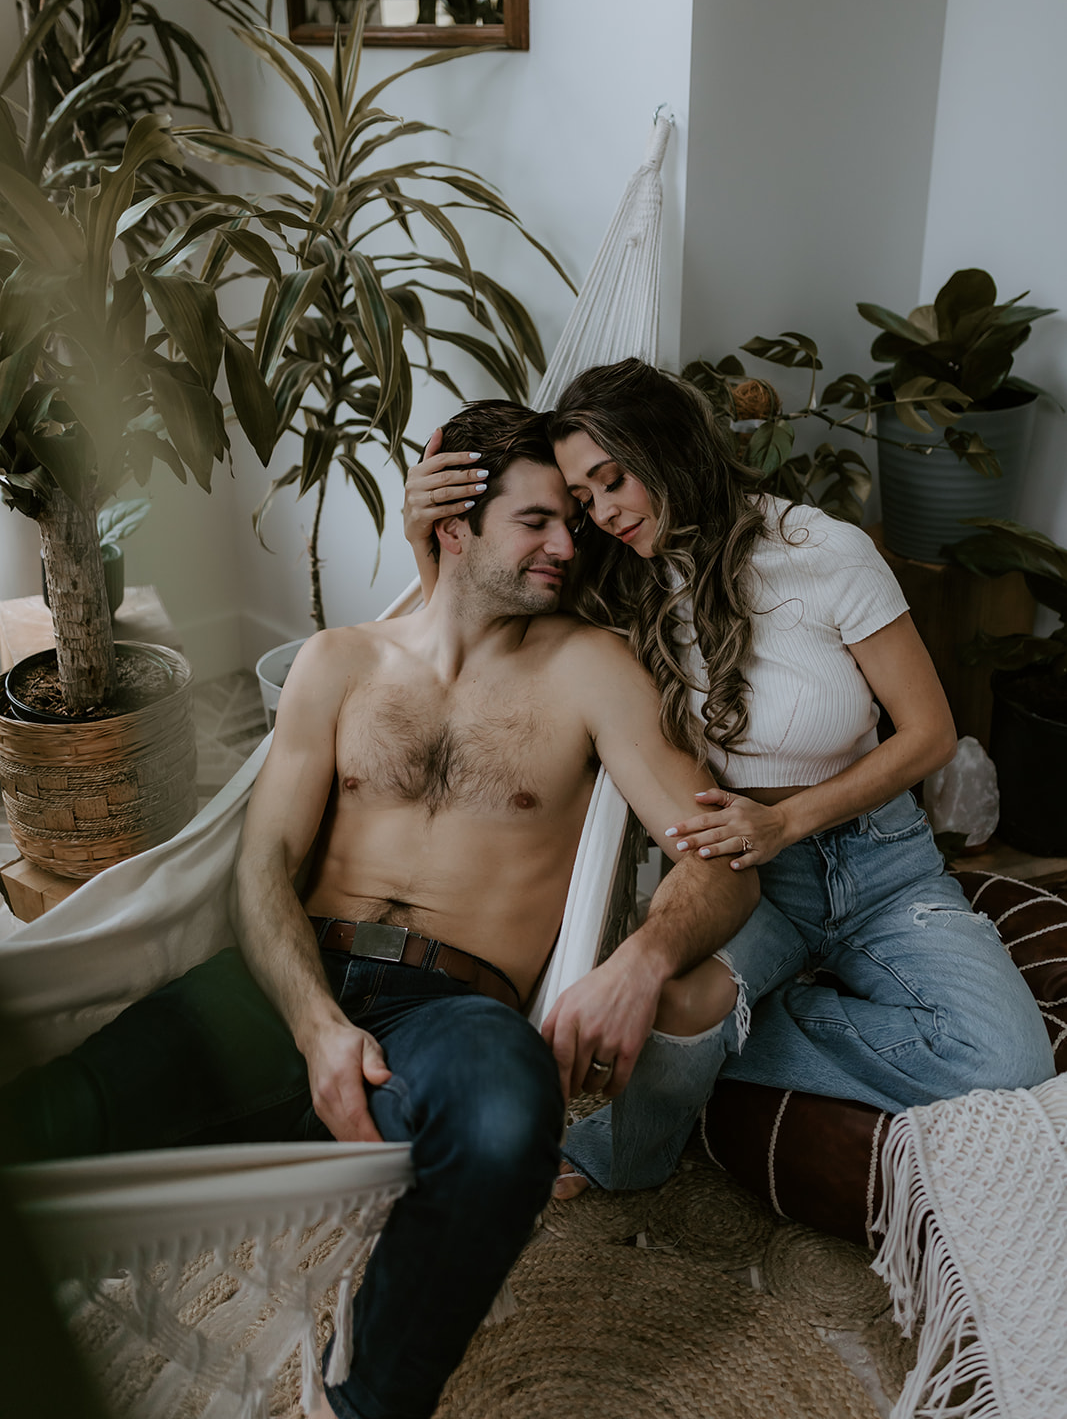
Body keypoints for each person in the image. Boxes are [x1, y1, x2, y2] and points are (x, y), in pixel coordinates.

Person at [2, 400, 758, 1419]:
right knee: (41, 1122)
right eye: (535, 520)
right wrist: (315, 1024)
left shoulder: (589, 668)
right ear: (454, 520)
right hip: (282, 989)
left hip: (452, 1014)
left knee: (506, 1122)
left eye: (569, 522)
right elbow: (260, 866)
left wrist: (638, 959)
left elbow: (727, 865)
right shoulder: (338, 662)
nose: (563, 543)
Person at [404, 358, 1055, 1200]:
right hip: (749, 882)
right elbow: (483, 652)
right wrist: (427, 540)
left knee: (1005, 1058)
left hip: (883, 865)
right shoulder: (620, 578)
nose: (602, 512)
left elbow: (929, 736)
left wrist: (786, 822)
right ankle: (626, 1148)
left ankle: (720, 1046)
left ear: (670, 447)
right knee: (675, 1008)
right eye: (583, 497)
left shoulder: (825, 554)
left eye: (613, 481)